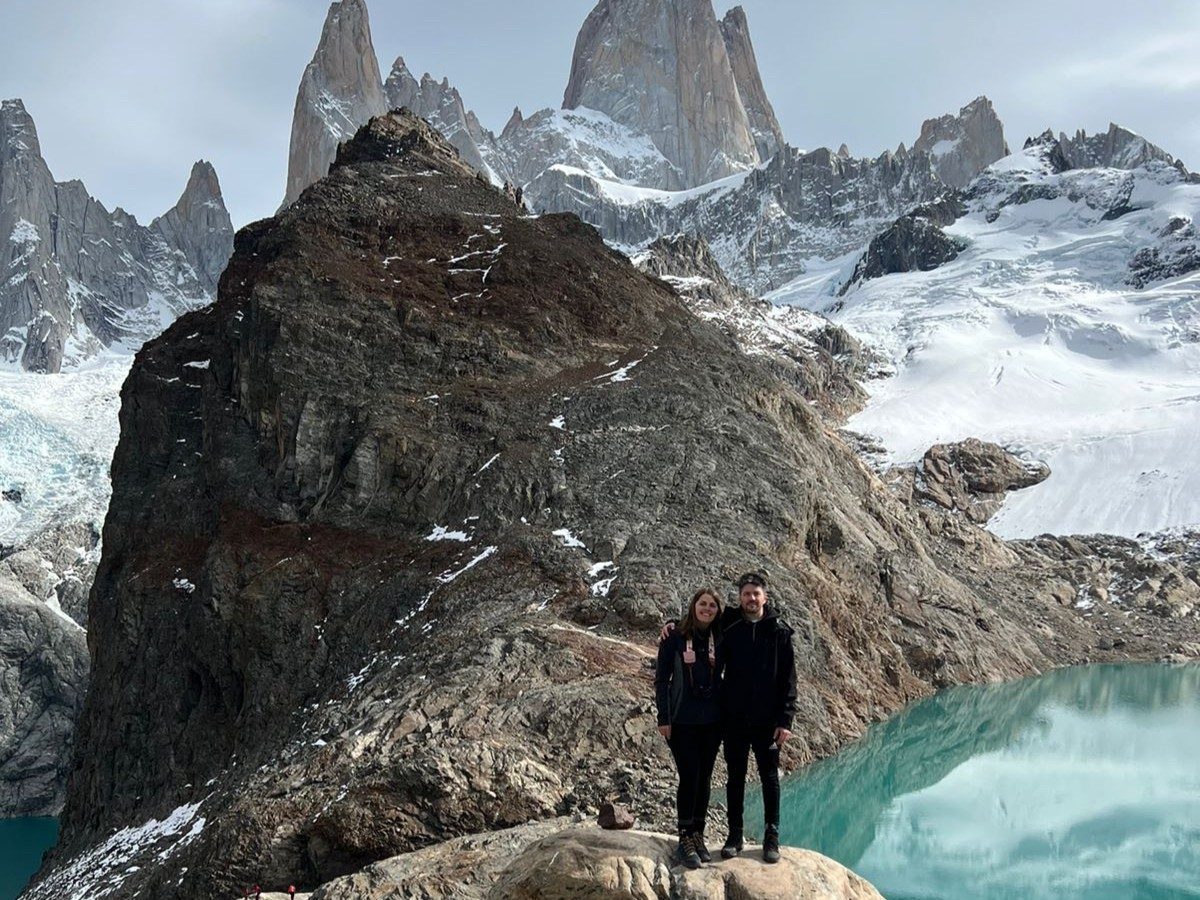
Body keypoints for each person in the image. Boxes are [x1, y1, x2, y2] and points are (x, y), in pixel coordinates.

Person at [716, 572, 796, 864]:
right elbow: (695, 622)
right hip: (734, 717)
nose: (751, 598)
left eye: (756, 593)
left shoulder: (779, 631)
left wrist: (785, 719)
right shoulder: (729, 624)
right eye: (746, 593)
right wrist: (671, 625)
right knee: (735, 778)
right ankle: (734, 835)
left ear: (765, 597)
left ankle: (771, 835)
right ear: (740, 597)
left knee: (769, 778)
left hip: (767, 720)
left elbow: (789, 679)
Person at [655, 588, 724, 868]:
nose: (707, 609)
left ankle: (698, 834)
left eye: (712, 605)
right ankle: (684, 836)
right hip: (682, 719)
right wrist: (664, 717)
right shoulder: (673, 636)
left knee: (705, 777)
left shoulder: (720, 637)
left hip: (713, 720)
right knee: (690, 774)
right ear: (693, 606)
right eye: (702, 603)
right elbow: (661, 679)